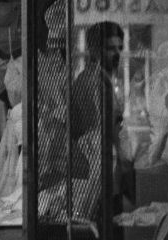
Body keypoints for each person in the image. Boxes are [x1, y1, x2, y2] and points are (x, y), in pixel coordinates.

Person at [68, 21, 131, 240]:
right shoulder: (92, 83)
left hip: (103, 174)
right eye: (110, 48)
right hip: (97, 177)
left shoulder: (101, 80)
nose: (117, 54)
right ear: (95, 51)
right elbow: (95, 135)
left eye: (119, 49)